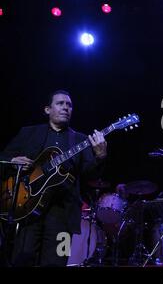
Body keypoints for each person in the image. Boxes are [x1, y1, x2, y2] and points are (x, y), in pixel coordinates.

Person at [0, 90, 107, 266]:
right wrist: (12, 161)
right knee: (22, 259)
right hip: (27, 209)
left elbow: (91, 175)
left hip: (63, 214)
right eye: (60, 103)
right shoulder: (28, 133)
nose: (66, 107)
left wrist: (100, 157)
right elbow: (2, 157)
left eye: (69, 105)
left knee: (57, 262)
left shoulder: (80, 140)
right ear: (47, 109)